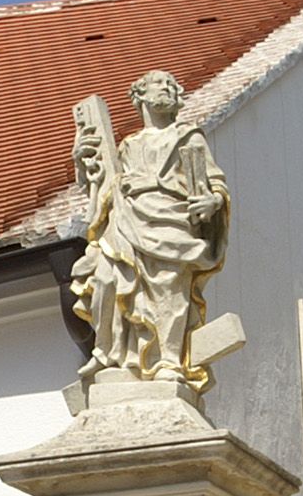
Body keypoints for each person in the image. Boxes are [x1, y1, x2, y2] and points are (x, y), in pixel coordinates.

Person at [69, 70, 230, 386]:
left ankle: (168, 361)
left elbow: (214, 181)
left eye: (171, 84)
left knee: (169, 287)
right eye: (159, 83)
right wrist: (82, 162)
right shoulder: (128, 145)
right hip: (127, 218)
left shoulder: (187, 136)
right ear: (139, 95)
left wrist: (213, 201)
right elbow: (102, 187)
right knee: (105, 278)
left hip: (171, 218)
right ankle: (110, 352)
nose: (167, 88)